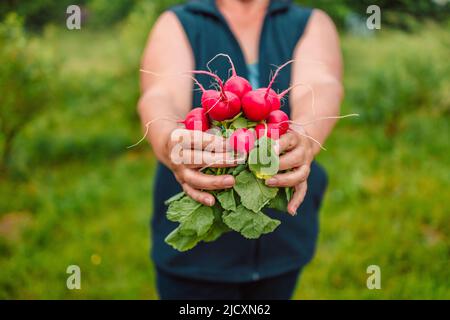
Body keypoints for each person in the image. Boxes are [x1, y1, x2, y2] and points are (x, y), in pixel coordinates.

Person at [138, 0, 343, 300]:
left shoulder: (310, 21)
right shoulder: (179, 21)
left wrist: (306, 137)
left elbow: (322, 85)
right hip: (196, 255)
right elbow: (161, 94)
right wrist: (170, 139)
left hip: (282, 240)